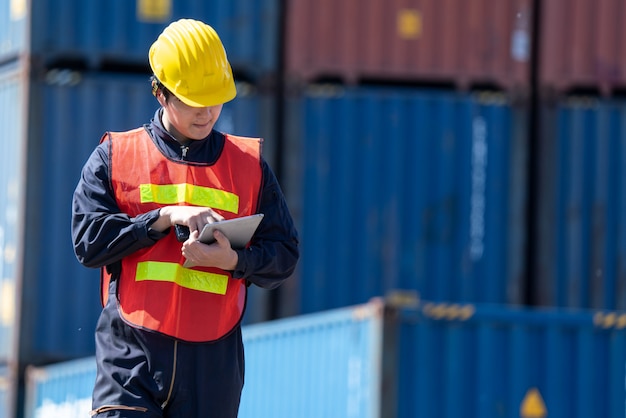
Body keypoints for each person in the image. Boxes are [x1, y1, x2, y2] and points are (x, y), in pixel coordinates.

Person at [71, 18, 299, 418]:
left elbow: (284, 254)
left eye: (215, 99)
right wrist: (161, 218)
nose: (208, 111)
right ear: (161, 92)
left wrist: (234, 261)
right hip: (131, 358)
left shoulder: (250, 166)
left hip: (213, 368)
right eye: (194, 99)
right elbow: (88, 243)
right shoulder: (115, 157)